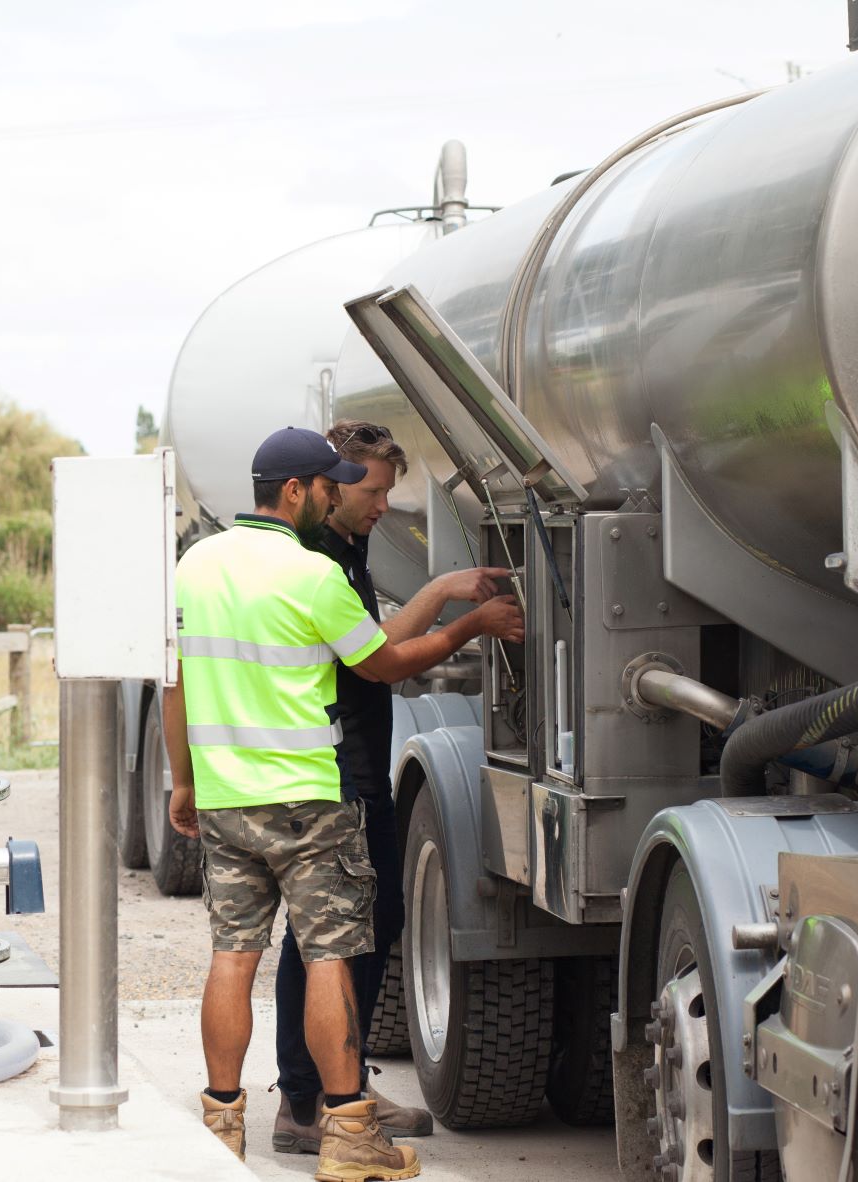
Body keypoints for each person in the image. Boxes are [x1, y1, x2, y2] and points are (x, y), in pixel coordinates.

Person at [162, 426, 510, 1180]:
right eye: (329, 485)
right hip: (309, 799)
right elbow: (382, 662)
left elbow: (173, 680)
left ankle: (221, 1128)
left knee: (232, 956)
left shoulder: (195, 564)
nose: (335, 494)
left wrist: (183, 780)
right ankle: (348, 1136)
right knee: (329, 955)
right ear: (295, 491)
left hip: (226, 799)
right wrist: (470, 627)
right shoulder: (310, 572)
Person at [271, 420, 524, 1155]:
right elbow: (377, 659)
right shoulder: (317, 551)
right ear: (335, 482)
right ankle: (306, 1100)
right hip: (336, 769)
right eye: (375, 489)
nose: (383, 503)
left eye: (387, 489)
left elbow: (373, 643)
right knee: (324, 938)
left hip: (356, 766)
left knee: (374, 923)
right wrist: (458, 609)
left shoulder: (346, 547)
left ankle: (339, 1085)